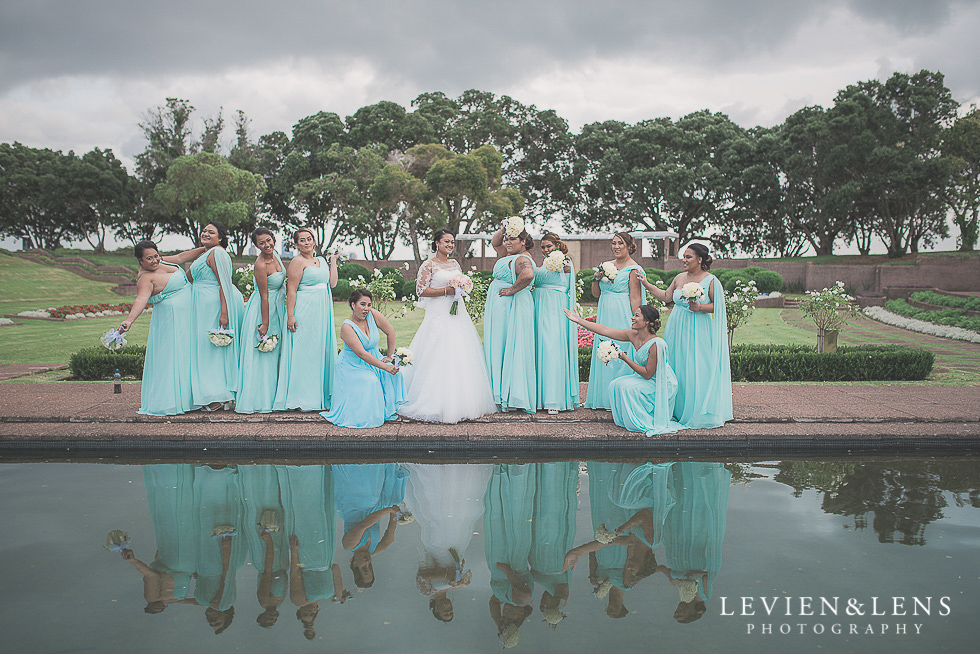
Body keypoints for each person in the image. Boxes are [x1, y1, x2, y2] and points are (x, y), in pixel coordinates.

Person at [399, 229, 497, 423]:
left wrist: (461, 288)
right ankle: (433, 402)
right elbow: (421, 290)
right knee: (436, 352)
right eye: (446, 242)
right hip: (438, 314)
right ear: (436, 243)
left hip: (457, 314)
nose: (450, 245)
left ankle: (462, 402)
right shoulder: (429, 265)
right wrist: (447, 290)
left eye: (452, 242)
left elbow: (459, 288)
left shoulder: (454, 263)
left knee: (460, 353)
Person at [641, 243, 733, 428]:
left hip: (699, 328)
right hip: (677, 326)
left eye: (688, 257)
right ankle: (676, 409)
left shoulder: (711, 280)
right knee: (677, 365)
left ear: (700, 259)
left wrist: (700, 308)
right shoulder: (679, 277)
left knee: (697, 366)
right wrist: (646, 284)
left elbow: (718, 305)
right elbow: (667, 297)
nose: (684, 260)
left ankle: (696, 411)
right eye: (683, 256)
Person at [567, 305, 685, 436]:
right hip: (649, 378)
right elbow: (605, 330)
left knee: (627, 388)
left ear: (647, 322)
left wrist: (624, 357)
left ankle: (642, 421)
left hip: (662, 383)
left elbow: (647, 374)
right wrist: (579, 320)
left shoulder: (657, 344)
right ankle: (626, 421)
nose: (632, 318)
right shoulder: (632, 335)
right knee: (615, 384)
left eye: (637, 316)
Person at [118, 240, 205, 416]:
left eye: (156, 256)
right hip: (171, 321)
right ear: (140, 261)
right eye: (149, 258)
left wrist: (205, 249)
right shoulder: (145, 278)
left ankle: (189, 399)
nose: (155, 260)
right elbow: (141, 300)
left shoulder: (162, 261)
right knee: (173, 355)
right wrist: (129, 320)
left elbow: (181, 256)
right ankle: (170, 401)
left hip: (186, 318)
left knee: (187, 355)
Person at [273, 229, 340, 412]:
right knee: (305, 351)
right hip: (304, 310)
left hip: (322, 310)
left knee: (319, 350)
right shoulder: (297, 261)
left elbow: (332, 283)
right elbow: (292, 290)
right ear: (296, 244)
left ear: (314, 241)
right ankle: (302, 396)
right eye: (302, 240)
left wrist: (333, 261)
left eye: (309, 239)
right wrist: (291, 315)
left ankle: (320, 394)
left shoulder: (322, 260)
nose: (306, 242)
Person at [321, 288, 406, 428]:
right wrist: (385, 367)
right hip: (352, 365)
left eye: (369, 305)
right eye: (362, 304)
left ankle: (385, 410)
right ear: (353, 304)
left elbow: (391, 332)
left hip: (374, 359)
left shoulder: (373, 315)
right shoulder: (346, 327)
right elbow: (361, 353)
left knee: (395, 375)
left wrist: (389, 357)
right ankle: (369, 416)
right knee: (370, 381)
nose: (366, 308)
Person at [584, 232, 645, 410]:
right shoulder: (606, 265)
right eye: (614, 243)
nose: (616, 247)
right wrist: (596, 279)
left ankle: (619, 400)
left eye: (620, 243)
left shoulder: (634, 269)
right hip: (605, 310)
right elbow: (596, 294)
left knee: (620, 351)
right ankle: (603, 398)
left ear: (629, 246)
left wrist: (637, 321)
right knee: (603, 348)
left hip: (622, 313)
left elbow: (635, 298)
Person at [187, 222, 245, 411]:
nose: (205, 233)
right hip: (202, 305)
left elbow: (224, 284)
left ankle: (219, 395)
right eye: (204, 231)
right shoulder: (204, 252)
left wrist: (224, 313)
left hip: (214, 304)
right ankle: (207, 392)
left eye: (211, 232)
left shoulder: (218, 253)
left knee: (213, 350)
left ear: (220, 237)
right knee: (204, 349)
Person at [484, 222, 536, 413]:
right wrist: (504, 229)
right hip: (502, 306)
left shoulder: (521, 258)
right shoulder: (508, 255)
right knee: (501, 345)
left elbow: (528, 274)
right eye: (507, 238)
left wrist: (511, 290)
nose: (507, 241)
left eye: (512, 238)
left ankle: (510, 394)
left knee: (509, 345)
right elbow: (494, 242)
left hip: (511, 306)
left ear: (523, 242)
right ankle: (501, 392)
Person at [333, 463, 409, 590]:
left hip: (353, 506)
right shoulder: (373, 550)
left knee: (371, 499)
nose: (368, 562)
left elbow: (364, 524)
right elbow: (389, 540)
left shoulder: (349, 545)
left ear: (355, 565)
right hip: (374, 508)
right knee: (393, 499)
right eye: (370, 567)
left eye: (364, 568)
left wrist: (388, 511)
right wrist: (394, 514)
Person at [236, 228, 286, 414]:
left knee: (275, 353)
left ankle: (275, 396)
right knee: (263, 354)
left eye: (268, 240)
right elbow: (264, 296)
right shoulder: (260, 265)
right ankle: (259, 400)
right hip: (263, 309)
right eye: (261, 243)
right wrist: (265, 324)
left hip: (277, 308)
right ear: (256, 246)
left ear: (273, 239)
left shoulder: (276, 256)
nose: (267, 245)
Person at [533, 233, 579, 413]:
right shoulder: (544, 264)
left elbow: (567, 281)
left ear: (557, 245)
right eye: (543, 247)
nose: (545, 250)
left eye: (549, 247)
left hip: (555, 307)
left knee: (552, 348)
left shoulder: (564, 262)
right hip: (539, 306)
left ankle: (554, 399)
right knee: (540, 347)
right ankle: (539, 397)